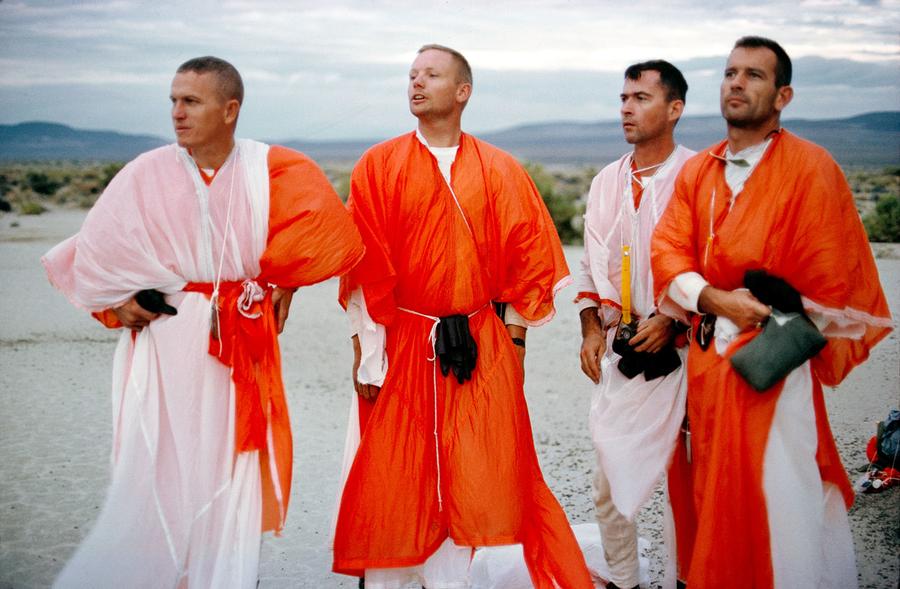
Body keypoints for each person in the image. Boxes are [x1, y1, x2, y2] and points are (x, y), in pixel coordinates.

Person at [42, 56, 364, 588]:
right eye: (173, 100)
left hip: (241, 338)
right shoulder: (145, 173)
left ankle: (225, 576)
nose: (177, 112)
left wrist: (285, 281)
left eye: (191, 101)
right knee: (159, 466)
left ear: (229, 109)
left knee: (231, 462)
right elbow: (94, 255)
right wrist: (118, 304)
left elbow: (330, 231)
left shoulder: (271, 169)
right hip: (165, 342)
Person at [331, 44, 593, 588]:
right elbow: (363, 270)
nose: (416, 83)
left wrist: (514, 348)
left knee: (482, 467)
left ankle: (462, 576)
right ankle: (392, 575)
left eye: (431, 74)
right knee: (397, 467)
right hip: (403, 338)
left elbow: (526, 265)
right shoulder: (379, 165)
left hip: (480, 338)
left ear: (462, 91)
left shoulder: (500, 169)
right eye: (412, 75)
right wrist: (367, 354)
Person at [651, 36, 893, 588]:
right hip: (707, 366)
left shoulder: (811, 167)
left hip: (773, 367)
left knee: (781, 494)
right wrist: (715, 299)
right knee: (714, 491)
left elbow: (834, 274)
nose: (737, 83)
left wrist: (770, 305)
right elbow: (667, 250)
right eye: (730, 72)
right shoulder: (698, 171)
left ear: (783, 95)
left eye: (754, 75)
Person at [575, 60, 694, 589]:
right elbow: (589, 265)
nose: (626, 108)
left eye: (641, 98)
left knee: (686, 480)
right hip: (624, 347)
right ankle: (624, 580)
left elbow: (715, 266)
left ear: (674, 109)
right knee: (609, 478)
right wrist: (590, 329)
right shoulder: (607, 181)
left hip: (688, 349)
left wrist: (674, 318)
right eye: (624, 98)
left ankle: (687, 577)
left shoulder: (698, 174)